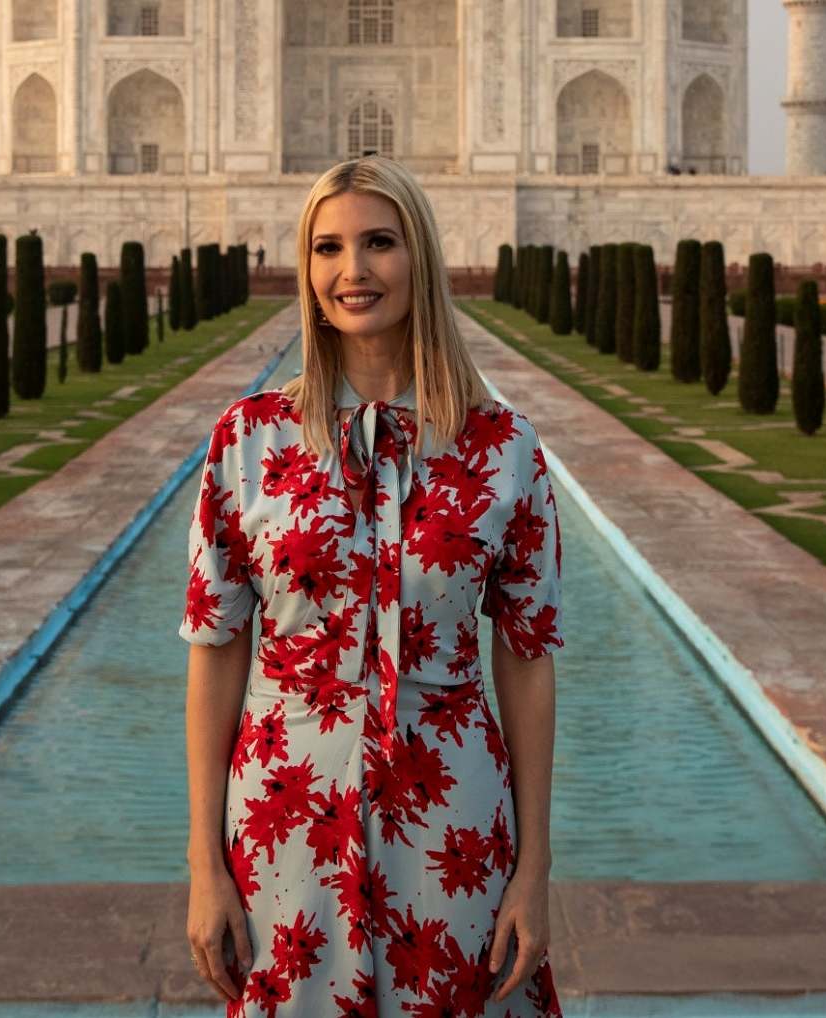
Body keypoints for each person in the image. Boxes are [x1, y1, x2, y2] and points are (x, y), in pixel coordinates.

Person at [181, 155, 566, 1017]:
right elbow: (214, 653)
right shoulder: (251, 441)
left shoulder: (501, 447)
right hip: (287, 812)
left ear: (420, 256)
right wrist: (204, 864)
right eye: (327, 248)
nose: (352, 270)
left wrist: (534, 870)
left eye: (379, 242)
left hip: (454, 812)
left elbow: (530, 659)